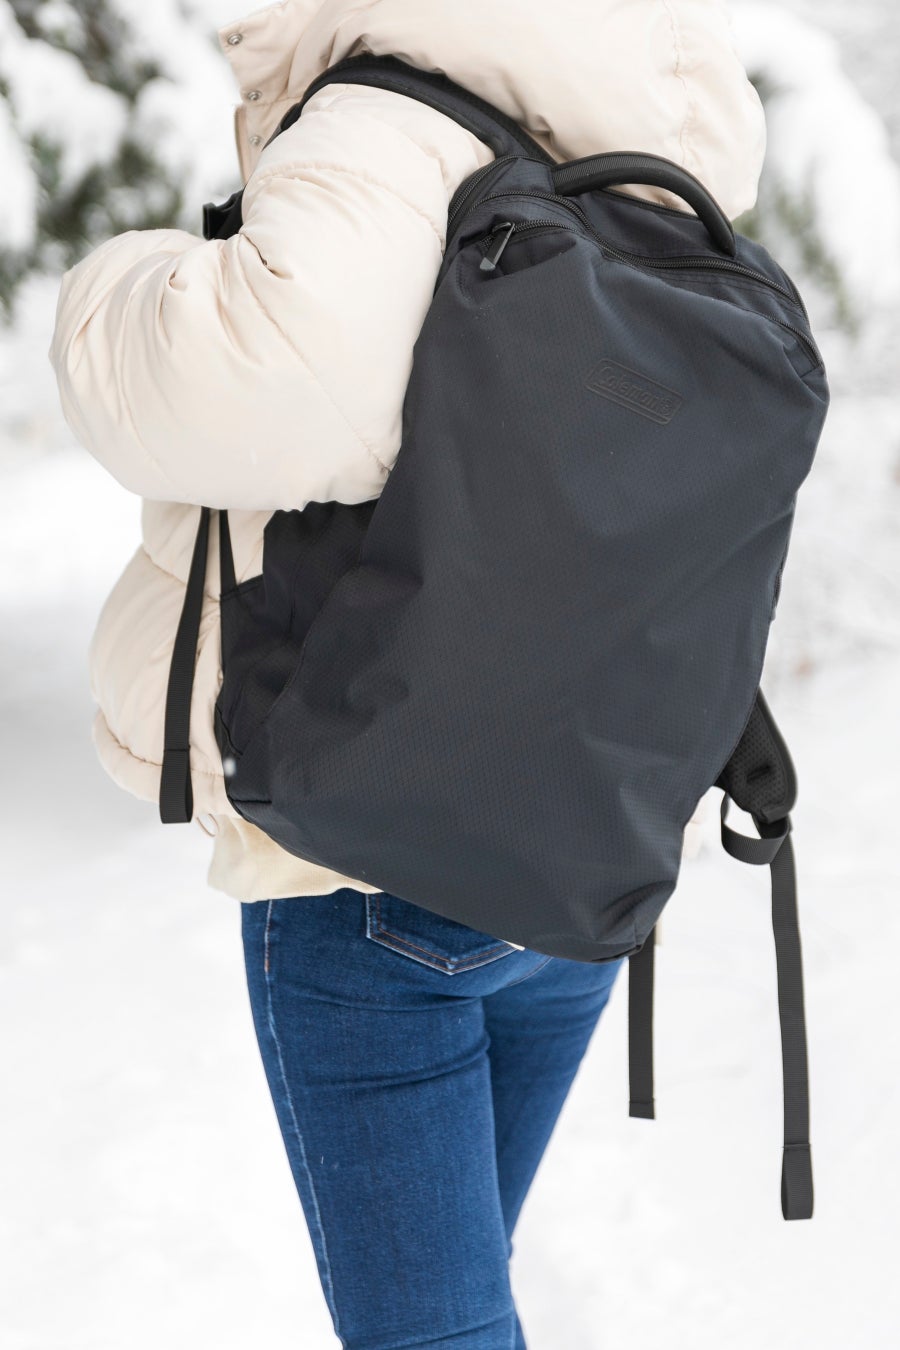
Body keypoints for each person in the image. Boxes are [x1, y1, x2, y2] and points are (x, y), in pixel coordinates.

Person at [49, 2, 765, 1344]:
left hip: (375, 864)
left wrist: (122, 279)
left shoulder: (382, 123)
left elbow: (254, 393)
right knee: (453, 1301)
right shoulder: (654, 105)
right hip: (577, 845)